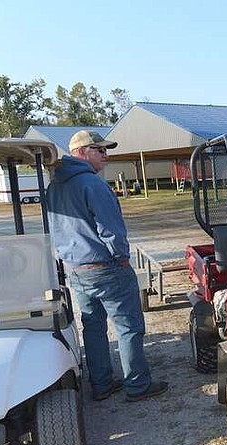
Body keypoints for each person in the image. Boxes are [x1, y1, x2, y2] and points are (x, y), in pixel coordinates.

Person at [45, 130, 168, 402]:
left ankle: (101, 384)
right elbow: (110, 228)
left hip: (76, 269)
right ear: (82, 152)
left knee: (93, 326)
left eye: (105, 150)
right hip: (106, 267)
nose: (106, 155)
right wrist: (121, 257)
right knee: (128, 327)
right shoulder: (92, 184)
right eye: (100, 150)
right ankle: (137, 385)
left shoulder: (54, 186)